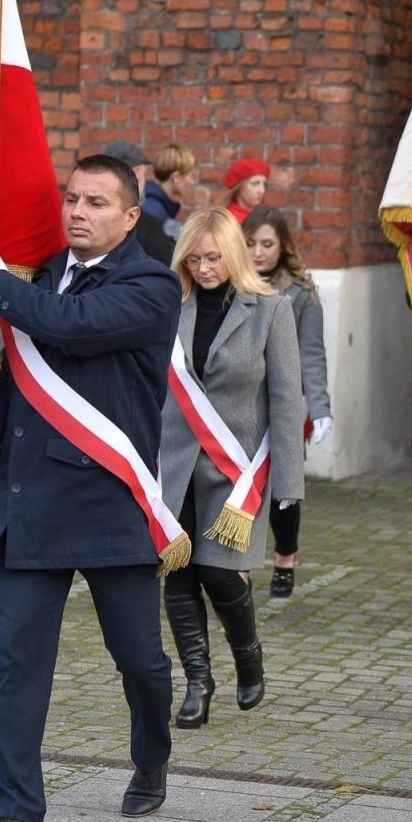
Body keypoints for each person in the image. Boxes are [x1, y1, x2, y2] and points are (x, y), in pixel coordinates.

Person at [0, 154, 184, 822]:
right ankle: (18, 812)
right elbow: (25, 376)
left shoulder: (150, 284)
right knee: (17, 665)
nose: (78, 212)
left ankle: (151, 755)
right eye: (72, 198)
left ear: (131, 215)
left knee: (140, 659)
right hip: (30, 501)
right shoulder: (38, 278)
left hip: (108, 502)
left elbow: (73, 328)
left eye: (96, 202)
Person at [159, 206, 304, 728]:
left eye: (214, 258)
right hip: (174, 464)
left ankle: (247, 654)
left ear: (235, 255)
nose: (203, 269)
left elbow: (286, 400)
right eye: (194, 259)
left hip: (236, 469)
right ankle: (197, 682)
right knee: (178, 573)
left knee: (219, 572)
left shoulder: (271, 310)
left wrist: (289, 482)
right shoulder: (169, 308)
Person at [243, 204, 331, 596]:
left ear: (282, 246)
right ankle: (240, 567)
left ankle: (285, 558)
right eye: (250, 244)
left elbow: (312, 355)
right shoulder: (228, 283)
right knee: (240, 486)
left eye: (267, 244)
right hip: (240, 402)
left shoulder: (300, 292)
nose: (258, 252)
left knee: (283, 488)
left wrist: (321, 407)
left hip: (283, 403)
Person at [106, 141, 176, 266]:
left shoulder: (88, 220)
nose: (145, 182)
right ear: (135, 174)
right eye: (143, 174)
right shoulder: (150, 227)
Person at [144, 143, 197, 239]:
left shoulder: (160, 206)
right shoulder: (154, 211)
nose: (193, 182)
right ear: (176, 177)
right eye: (191, 176)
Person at [219, 157, 270, 224]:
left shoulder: (266, 215)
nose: (262, 191)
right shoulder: (227, 220)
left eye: (264, 184)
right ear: (239, 187)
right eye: (255, 183)